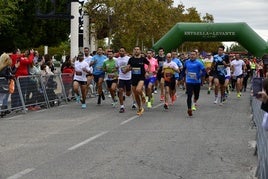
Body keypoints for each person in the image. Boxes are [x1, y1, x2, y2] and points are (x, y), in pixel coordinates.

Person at [125, 46, 150, 116]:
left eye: (138, 49)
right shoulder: (131, 59)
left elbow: (149, 64)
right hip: (133, 78)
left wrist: (147, 71)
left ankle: (143, 96)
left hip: (141, 77)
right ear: (133, 51)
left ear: (140, 51)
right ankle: (140, 108)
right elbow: (129, 68)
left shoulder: (143, 59)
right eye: (135, 49)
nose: (136, 51)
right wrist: (126, 70)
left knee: (138, 89)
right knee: (135, 94)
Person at [184, 50, 206, 116]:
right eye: (191, 54)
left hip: (197, 82)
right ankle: (189, 109)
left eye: (193, 55)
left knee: (196, 95)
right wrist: (182, 75)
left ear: (196, 55)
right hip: (189, 81)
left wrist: (199, 76)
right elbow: (183, 70)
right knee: (189, 95)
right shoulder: (186, 62)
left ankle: (194, 102)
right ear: (189, 55)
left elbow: (204, 72)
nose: (192, 56)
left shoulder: (199, 63)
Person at [116, 47, 131, 113]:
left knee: (128, 93)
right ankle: (122, 106)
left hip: (128, 77)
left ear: (125, 52)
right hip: (121, 77)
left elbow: (131, 67)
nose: (121, 52)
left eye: (123, 51)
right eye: (120, 51)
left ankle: (125, 94)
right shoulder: (117, 59)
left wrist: (126, 70)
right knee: (120, 90)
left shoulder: (128, 58)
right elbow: (117, 68)